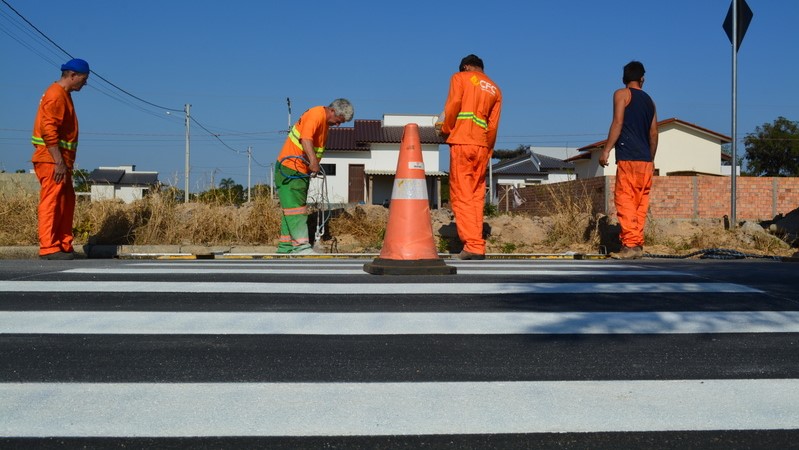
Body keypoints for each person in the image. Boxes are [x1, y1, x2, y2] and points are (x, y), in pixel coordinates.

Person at [437, 54, 502, 260]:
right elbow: (493, 126)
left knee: (462, 195)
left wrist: (446, 128)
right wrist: (488, 149)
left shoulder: (460, 77)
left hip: (462, 141)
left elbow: (454, 103)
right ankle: (477, 244)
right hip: (482, 146)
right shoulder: (495, 89)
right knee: (475, 196)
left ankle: (473, 245)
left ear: (466, 67)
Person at [274, 99, 354, 255]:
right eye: (338, 121)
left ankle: (286, 247)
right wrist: (314, 163)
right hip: (291, 167)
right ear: (332, 111)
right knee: (296, 209)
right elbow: (306, 139)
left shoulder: (323, 122)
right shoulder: (316, 114)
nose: (338, 125)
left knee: (291, 209)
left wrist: (312, 164)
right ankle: (301, 246)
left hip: (298, 169)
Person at [31, 58, 90, 260]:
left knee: (65, 201)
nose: (85, 83)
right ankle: (49, 247)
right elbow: (49, 130)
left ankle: (63, 244)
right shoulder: (56, 95)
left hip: (60, 161)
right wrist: (58, 161)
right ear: (73, 75)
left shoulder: (63, 94)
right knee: (52, 201)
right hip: (51, 160)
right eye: (84, 78)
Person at [599, 61, 659, 260]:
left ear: (624, 78)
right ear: (643, 79)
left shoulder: (621, 94)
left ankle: (630, 245)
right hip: (646, 161)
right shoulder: (650, 101)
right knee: (640, 203)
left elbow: (618, 122)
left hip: (628, 157)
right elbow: (653, 132)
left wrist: (606, 150)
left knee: (625, 200)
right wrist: (651, 158)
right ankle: (637, 244)